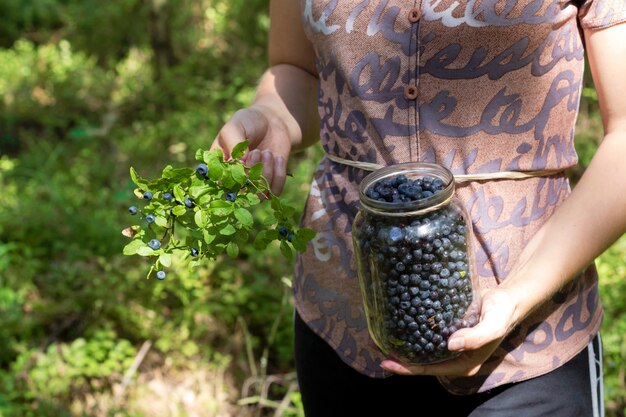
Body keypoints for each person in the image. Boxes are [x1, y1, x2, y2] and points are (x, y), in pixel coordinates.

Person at [211, 0, 626, 415]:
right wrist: (273, 118)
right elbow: (295, 68)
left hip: (529, 348)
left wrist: (516, 298)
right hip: (342, 326)